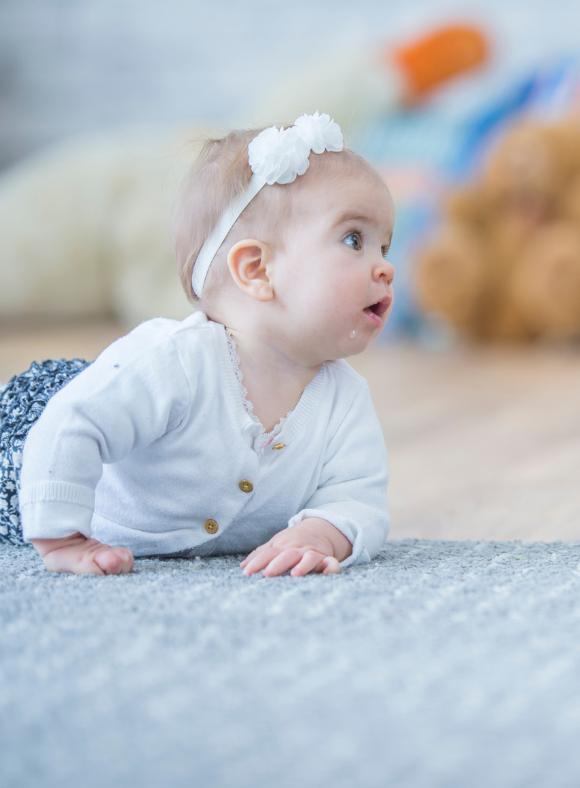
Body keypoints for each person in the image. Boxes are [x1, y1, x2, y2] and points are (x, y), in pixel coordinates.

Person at [0, 113, 395, 577]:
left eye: (385, 248)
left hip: (99, 403)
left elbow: (358, 495)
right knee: (84, 412)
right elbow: (71, 425)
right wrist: (63, 537)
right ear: (257, 270)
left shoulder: (344, 400)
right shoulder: (176, 360)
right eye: (354, 239)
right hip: (28, 442)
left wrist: (323, 532)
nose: (385, 268)